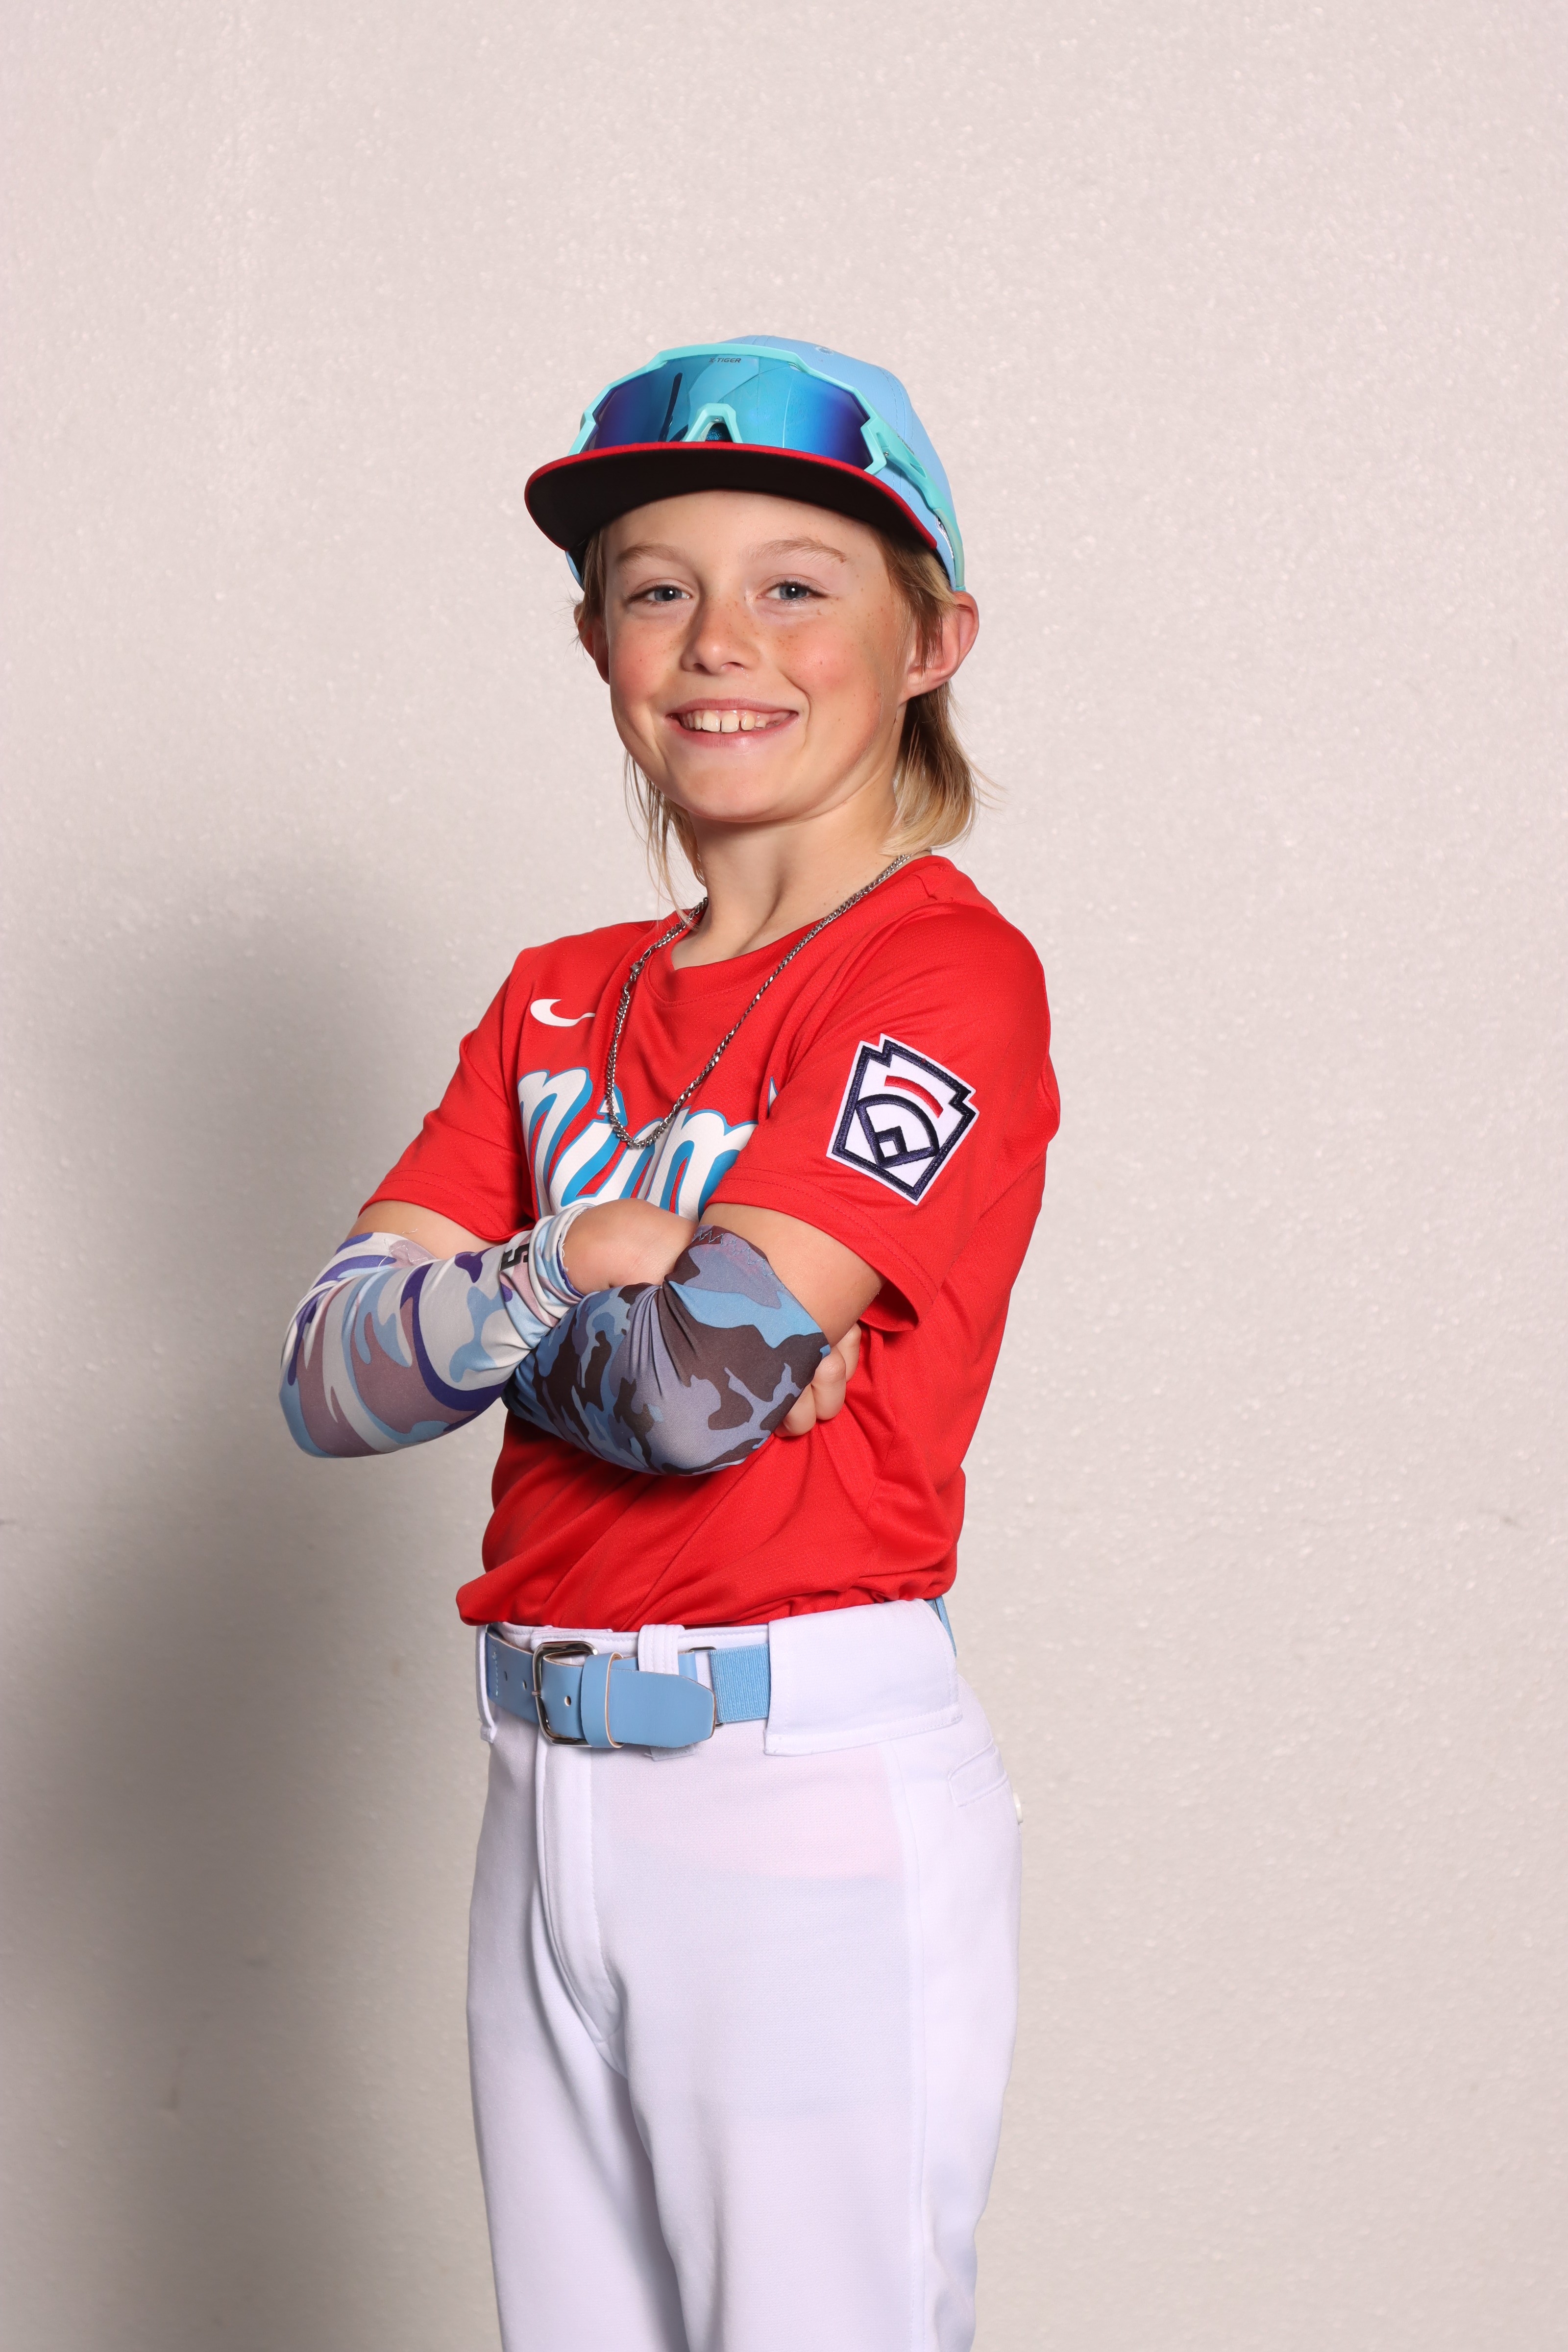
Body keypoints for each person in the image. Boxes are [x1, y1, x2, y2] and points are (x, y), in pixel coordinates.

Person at [279, 336, 1060, 2352]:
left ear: (928, 641)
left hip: (791, 1789)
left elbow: (693, 1393)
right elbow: (324, 1382)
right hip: (534, 1790)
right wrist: (574, 1268)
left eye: (796, 584)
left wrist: (499, 1315)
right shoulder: (555, 993)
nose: (720, 641)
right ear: (597, 643)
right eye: (656, 588)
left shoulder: (941, 975)